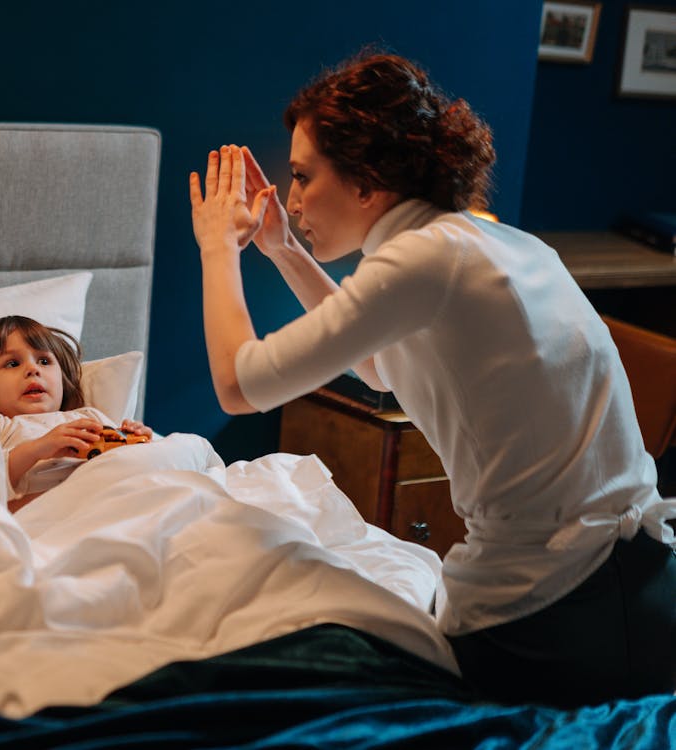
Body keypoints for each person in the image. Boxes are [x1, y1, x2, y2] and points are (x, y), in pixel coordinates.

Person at [188, 51, 675, 707]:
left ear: (367, 178)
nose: (292, 197)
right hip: (646, 588)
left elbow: (236, 385)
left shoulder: (422, 261)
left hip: (549, 617)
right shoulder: (489, 242)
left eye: (302, 176)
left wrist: (217, 245)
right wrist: (280, 249)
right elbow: (376, 366)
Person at [0, 315, 151, 512]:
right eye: (12, 363)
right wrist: (39, 448)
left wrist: (137, 440)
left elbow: (128, 465)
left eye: (44, 361)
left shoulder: (89, 416)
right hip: (50, 513)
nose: (33, 369)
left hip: (113, 500)